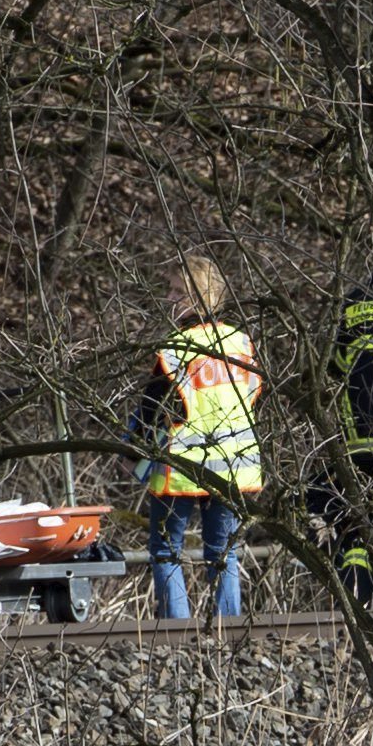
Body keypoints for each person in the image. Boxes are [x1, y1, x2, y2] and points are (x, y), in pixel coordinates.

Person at [128, 254, 263, 619]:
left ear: (198, 297)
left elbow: (150, 412)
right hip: (234, 468)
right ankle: (229, 630)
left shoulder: (174, 350)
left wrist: (132, 448)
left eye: (177, 292)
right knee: (224, 552)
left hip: (182, 468)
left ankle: (177, 633)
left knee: (166, 549)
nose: (169, 299)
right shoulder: (241, 344)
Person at [307, 276, 373, 604]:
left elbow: (336, 368)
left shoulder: (355, 299)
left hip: (358, 439)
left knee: (347, 520)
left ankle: (357, 598)